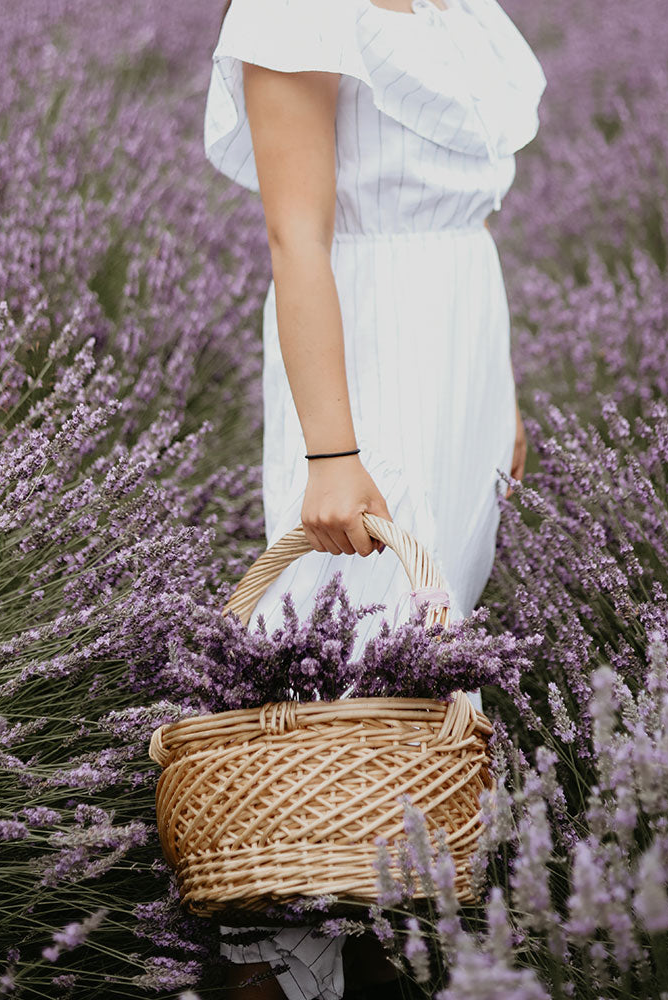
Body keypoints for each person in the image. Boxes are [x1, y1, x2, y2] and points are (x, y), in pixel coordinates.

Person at [201, 0, 546, 995]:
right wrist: (333, 450)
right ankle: (281, 948)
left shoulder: (455, 8)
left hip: (458, 352)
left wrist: (504, 395)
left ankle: (401, 939)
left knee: (427, 641)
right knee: (344, 641)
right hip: (366, 349)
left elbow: (469, 216)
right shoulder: (295, 9)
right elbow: (293, 237)